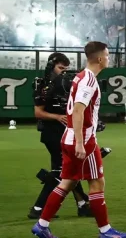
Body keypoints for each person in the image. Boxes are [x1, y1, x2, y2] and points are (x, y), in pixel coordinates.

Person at [32, 42, 126, 238]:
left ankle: (41, 225)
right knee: (97, 182)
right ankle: (105, 231)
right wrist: (79, 142)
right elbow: (78, 110)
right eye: (107, 55)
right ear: (100, 58)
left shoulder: (80, 76)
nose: (109, 58)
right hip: (83, 140)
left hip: (69, 136)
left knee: (67, 183)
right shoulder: (89, 80)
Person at [28, 52, 93, 220]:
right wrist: (57, 117)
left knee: (69, 169)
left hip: (65, 132)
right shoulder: (42, 85)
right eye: (60, 68)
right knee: (60, 170)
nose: (63, 72)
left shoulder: (67, 84)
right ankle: (38, 208)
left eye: (66, 68)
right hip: (52, 133)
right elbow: (38, 112)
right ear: (51, 67)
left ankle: (83, 205)